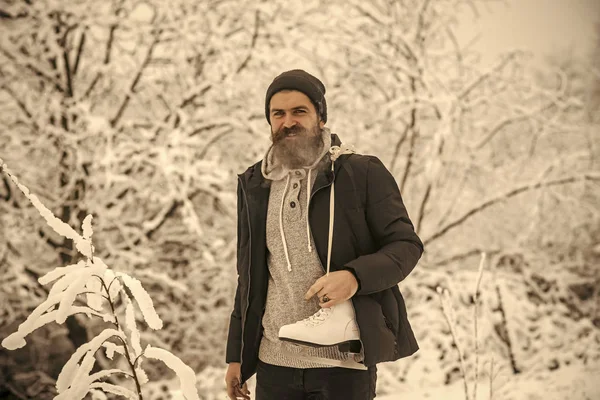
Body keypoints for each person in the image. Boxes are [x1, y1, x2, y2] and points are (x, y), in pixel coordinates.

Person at [225, 69, 424, 400]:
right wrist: (237, 356)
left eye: (299, 111)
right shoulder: (255, 185)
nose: (289, 122)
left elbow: (406, 246)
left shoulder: (360, 173)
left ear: (320, 117)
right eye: (279, 114)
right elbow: (249, 278)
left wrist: (354, 277)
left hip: (342, 367)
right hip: (274, 367)